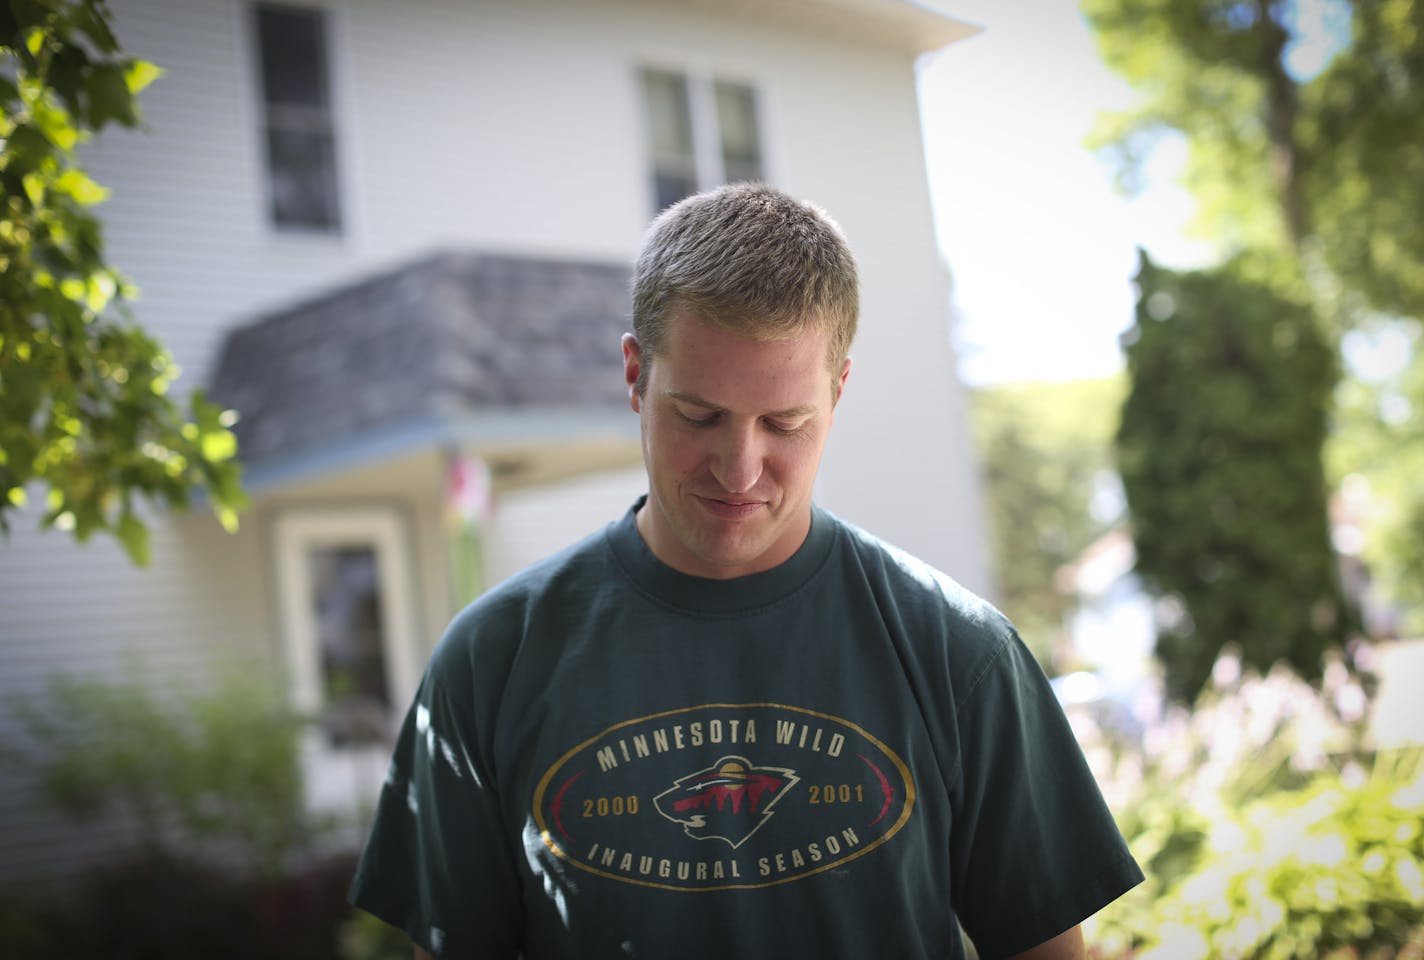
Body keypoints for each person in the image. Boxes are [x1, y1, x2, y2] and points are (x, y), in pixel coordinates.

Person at [348, 183, 1144, 959]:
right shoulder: (491, 661)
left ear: (838, 392)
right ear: (634, 377)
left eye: (785, 423)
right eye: (699, 417)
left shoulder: (960, 654)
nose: (740, 468)